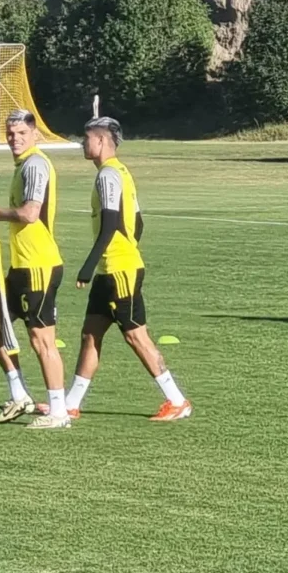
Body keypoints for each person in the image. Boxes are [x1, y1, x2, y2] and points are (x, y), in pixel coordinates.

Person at [59, 117, 191, 421]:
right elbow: (138, 222)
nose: (83, 143)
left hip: (118, 270)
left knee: (136, 336)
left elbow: (109, 226)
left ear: (102, 141)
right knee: (90, 334)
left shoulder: (108, 175)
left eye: (86, 138)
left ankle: (177, 400)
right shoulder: (121, 173)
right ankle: (70, 403)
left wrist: (88, 267)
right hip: (114, 267)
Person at [0, 110, 70, 429]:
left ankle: (59, 412)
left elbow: (30, 214)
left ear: (35, 134)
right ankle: (20, 395)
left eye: (21, 133)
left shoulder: (35, 165)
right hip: (21, 266)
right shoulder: (22, 166)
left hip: (39, 265)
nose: (15, 139)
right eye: (10, 133)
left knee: (41, 339)